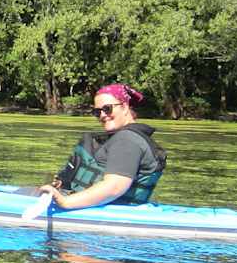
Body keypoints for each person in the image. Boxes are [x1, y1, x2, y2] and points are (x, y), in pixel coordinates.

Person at [22, 83, 166, 209]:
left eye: (107, 109)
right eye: (97, 112)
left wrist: (65, 202)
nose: (102, 115)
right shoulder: (125, 138)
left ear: (125, 107)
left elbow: (114, 187)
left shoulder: (127, 140)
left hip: (106, 216)